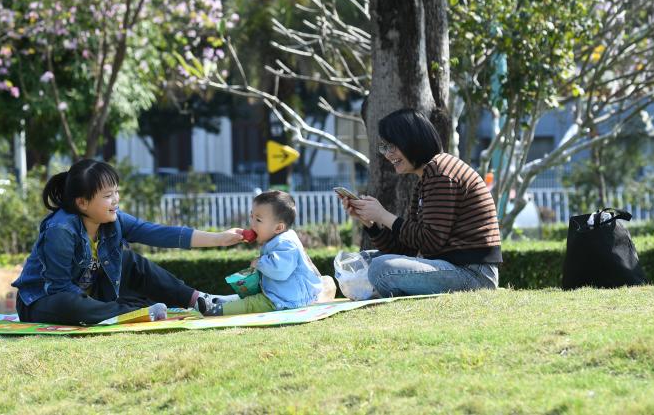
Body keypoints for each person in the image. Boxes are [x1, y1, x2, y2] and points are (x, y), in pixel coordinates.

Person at [13, 159, 242, 326]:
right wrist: (97, 305)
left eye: (116, 192)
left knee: (129, 260)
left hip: (91, 299)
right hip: (43, 301)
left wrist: (219, 238)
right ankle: (133, 312)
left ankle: (201, 300)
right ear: (82, 203)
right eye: (107, 196)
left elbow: (160, 234)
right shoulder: (61, 229)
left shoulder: (114, 220)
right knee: (70, 304)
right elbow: (58, 287)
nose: (116, 200)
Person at [340, 108, 502, 297]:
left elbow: (431, 242)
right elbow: (407, 250)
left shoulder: (441, 172)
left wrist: (383, 215)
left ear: (411, 140)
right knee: (369, 260)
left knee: (380, 268)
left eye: (392, 146)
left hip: (474, 275)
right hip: (454, 269)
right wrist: (371, 223)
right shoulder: (426, 179)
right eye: (385, 147)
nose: (388, 155)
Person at [203, 190, 322, 316]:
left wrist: (260, 263)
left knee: (252, 304)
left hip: (288, 300)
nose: (252, 223)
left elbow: (280, 270)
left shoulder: (286, 244)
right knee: (253, 300)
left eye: (258, 220)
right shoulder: (276, 240)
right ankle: (221, 302)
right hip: (279, 295)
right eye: (252, 216)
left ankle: (218, 310)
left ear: (278, 228)